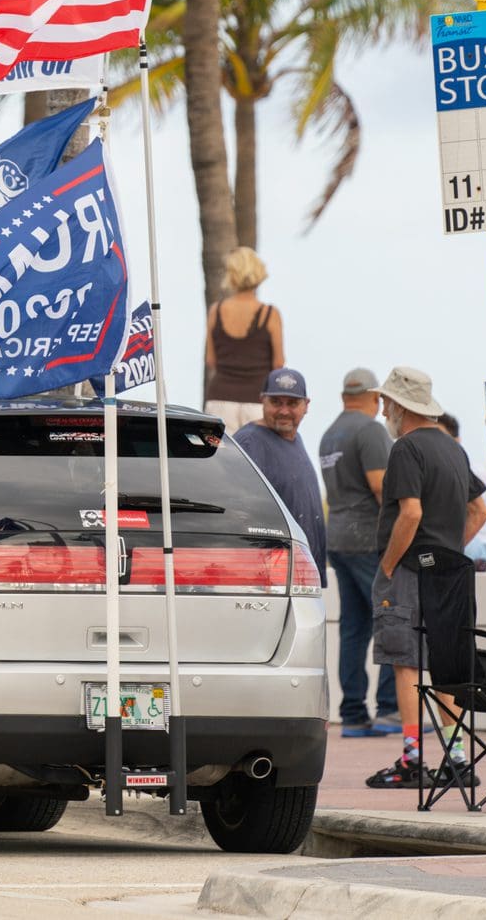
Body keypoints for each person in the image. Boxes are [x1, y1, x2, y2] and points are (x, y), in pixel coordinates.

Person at [365, 366, 486, 790]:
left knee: (407, 664)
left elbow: (411, 512)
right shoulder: (453, 449)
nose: (383, 410)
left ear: (400, 405)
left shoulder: (406, 448)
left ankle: (412, 758)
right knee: (445, 665)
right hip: (449, 575)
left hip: (411, 572)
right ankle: (456, 757)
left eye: (386, 402)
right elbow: (479, 511)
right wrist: (450, 549)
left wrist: (389, 562)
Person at [316, 367, 401, 737]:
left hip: (337, 538)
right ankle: (389, 709)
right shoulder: (370, 430)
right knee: (391, 619)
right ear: (376, 397)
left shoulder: (329, 434)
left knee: (353, 628)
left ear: (343, 397)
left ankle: (352, 713)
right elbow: (382, 486)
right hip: (368, 540)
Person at [232, 368, 327, 570]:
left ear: (306, 405)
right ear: (262, 400)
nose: (284, 411)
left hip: (301, 571)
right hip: (272, 573)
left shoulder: (295, 438)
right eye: (276, 402)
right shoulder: (251, 442)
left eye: (292, 403)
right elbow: (240, 511)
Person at [204, 247, 282, 433]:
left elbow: (211, 360)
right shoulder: (270, 314)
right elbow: (278, 363)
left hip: (219, 399)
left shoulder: (216, 310)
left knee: (220, 460)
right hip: (256, 402)